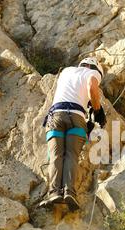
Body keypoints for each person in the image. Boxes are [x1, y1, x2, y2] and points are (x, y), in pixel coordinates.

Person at [41, 57, 106, 211]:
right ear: (95, 69)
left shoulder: (66, 71)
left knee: (56, 155)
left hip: (56, 115)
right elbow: (92, 87)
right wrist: (97, 110)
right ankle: (69, 192)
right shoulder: (92, 74)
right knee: (71, 155)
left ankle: (54, 193)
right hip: (77, 117)